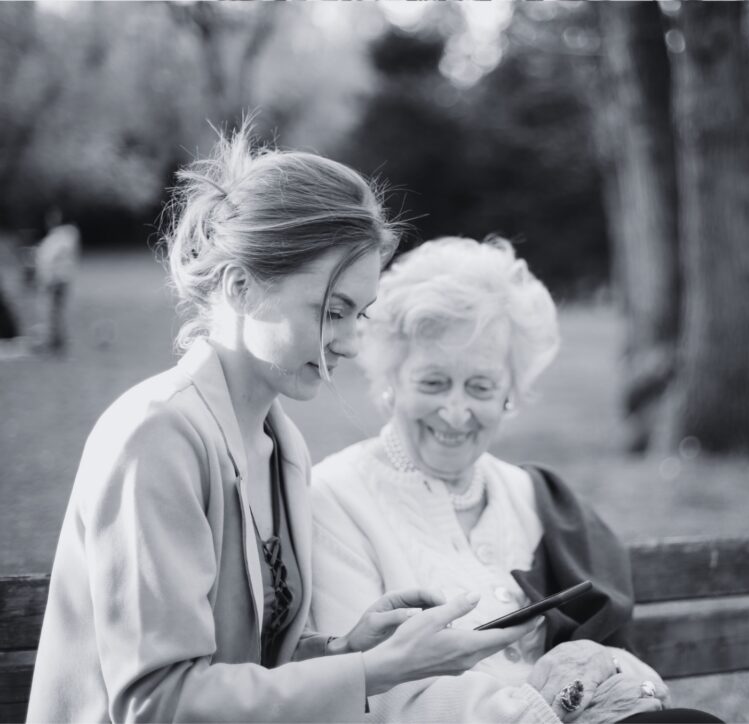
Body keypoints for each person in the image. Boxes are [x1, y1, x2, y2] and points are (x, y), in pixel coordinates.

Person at [26, 130, 535, 723]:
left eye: (359, 314)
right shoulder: (156, 436)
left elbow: (249, 667)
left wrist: (348, 648)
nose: (348, 342)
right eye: (331, 311)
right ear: (242, 286)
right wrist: (377, 672)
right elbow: (159, 704)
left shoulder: (281, 443)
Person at [311, 237, 722, 723]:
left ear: (510, 395)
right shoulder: (334, 497)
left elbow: (622, 661)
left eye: (481, 387)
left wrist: (614, 674)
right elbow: (373, 695)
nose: (457, 410)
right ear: (389, 383)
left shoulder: (533, 496)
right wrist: (542, 708)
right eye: (433, 382)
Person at [33, 209, 80, 353]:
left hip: (57, 279)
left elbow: (47, 260)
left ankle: (55, 341)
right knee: (56, 311)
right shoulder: (66, 237)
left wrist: (45, 278)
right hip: (61, 279)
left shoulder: (58, 238)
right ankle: (56, 340)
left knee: (54, 311)